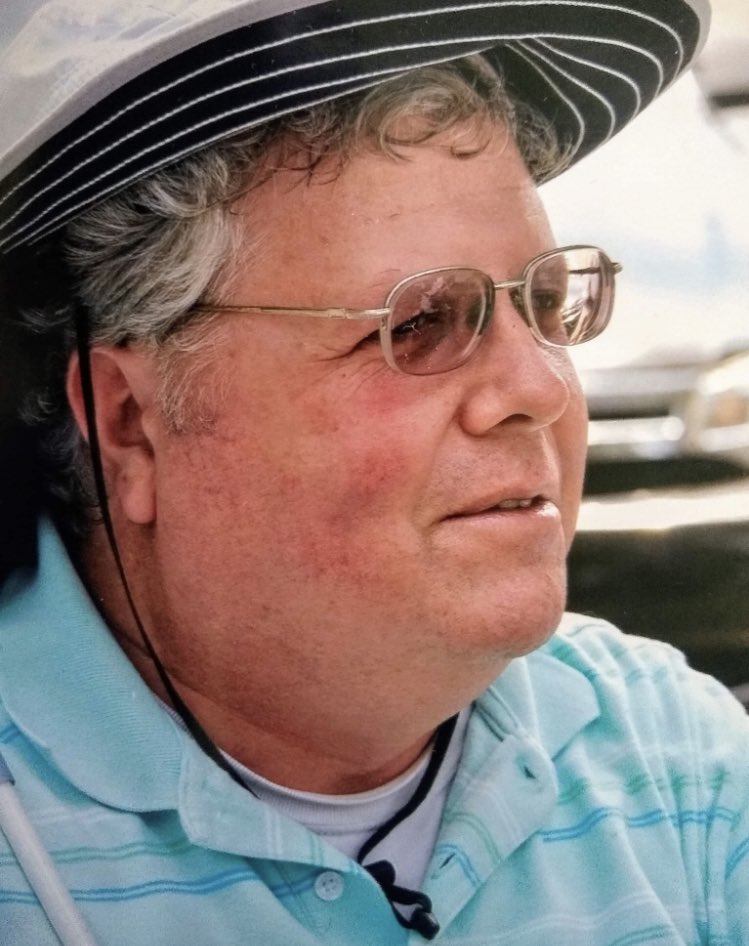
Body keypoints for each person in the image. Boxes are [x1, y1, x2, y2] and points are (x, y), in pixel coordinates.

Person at [0, 1, 747, 944]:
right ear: (131, 424)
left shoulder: (675, 759)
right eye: (418, 323)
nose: (540, 387)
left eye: (546, 303)